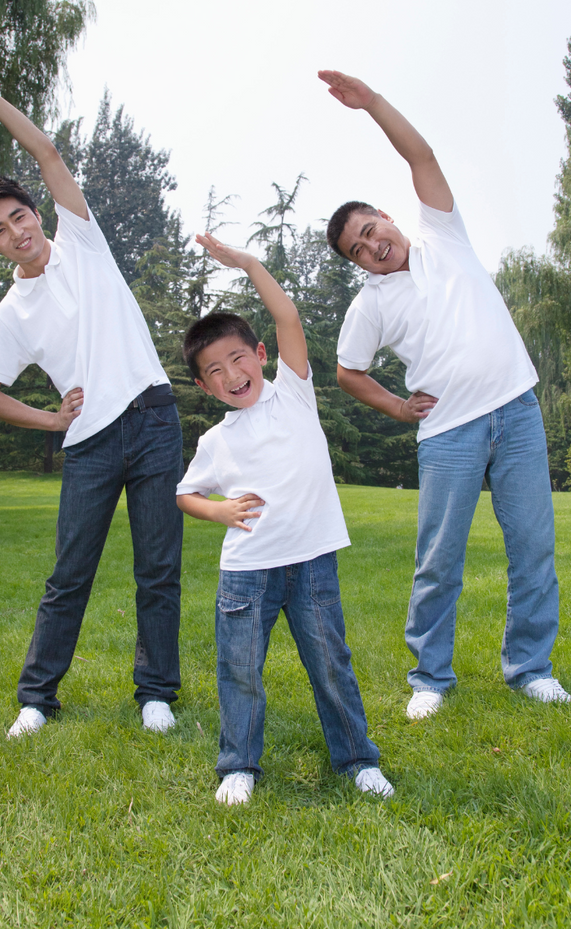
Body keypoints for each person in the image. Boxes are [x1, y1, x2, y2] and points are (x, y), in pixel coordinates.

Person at [0, 63, 184, 738]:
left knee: (158, 567)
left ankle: (155, 691)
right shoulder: (13, 312)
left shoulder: (85, 243)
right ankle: (37, 699)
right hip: (90, 443)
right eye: (1, 231)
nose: (17, 231)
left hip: (154, 419)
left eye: (20, 216)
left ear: (38, 214)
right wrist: (49, 419)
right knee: (70, 574)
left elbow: (45, 150)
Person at [320, 68, 571, 720]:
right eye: (359, 249)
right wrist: (399, 407)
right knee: (438, 561)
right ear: (358, 264)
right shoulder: (370, 305)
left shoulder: (443, 235)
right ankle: (429, 677)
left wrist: (372, 103)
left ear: (386, 215)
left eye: (372, 228)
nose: (374, 245)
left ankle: (531, 668)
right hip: (448, 437)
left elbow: (421, 155)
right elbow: (348, 371)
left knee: (533, 548)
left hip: (517, 414)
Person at [176, 233, 394, 805]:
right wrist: (217, 510)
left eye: (238, 358)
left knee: (331, 665)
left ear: (262, 355)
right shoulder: (215, 440)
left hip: (312, 564)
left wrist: (248, 264)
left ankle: (357, 760)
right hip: (247, 574)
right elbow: (186, 495)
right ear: (203, 386)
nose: (231, 374)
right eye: (215, 371)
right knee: (240, 670)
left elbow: (287, 314)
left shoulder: (295, 394)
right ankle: (238, 767)